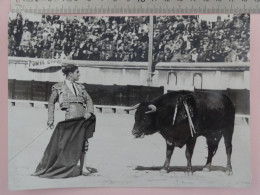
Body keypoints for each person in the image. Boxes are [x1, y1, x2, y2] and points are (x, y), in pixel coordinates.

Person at [32, 64, 96, 178]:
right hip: (70, 118)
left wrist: (89, 112)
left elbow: (89, 100)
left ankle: (83, 167)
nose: (79, 74)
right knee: (67, 143)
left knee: (84, 142)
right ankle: (64, 165)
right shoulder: (59, 87)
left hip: (83, 117)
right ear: (70, 74)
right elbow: (51, 102)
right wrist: (51, 119)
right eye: (77, 72)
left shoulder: (81, 87)